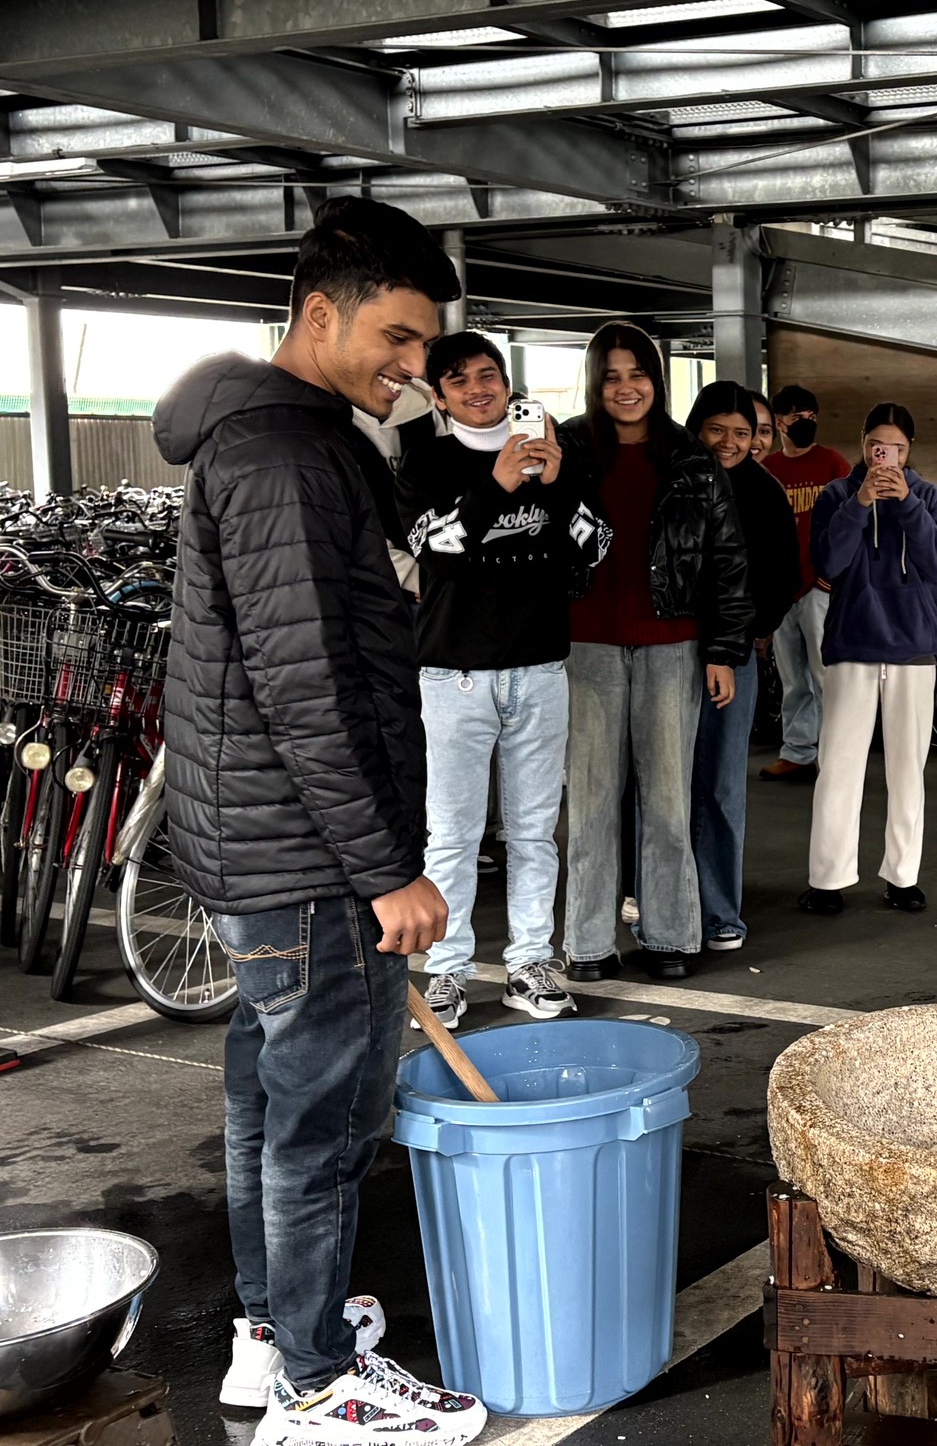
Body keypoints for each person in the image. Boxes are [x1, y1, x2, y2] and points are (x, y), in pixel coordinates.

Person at [152, 196, 487, 1445]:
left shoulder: (284, 436)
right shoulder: (285, 456)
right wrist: (387, 870)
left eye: (425, 346)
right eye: (396, 342)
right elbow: (308, 692)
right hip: (303, 852)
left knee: (266, 1082)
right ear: (317, 314)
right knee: (328, 1114)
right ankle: (313, 1381)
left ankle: (267, 1336)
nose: (415, 369)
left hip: (263, 842)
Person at [397, 331, 611, 1028]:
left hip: (541, 666)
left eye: (488, 375)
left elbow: (596, 547)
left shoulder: (559, 456)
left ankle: (529, 962)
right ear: (438, 395)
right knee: (452, 834)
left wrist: (556, 483)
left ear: (507, 381)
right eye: (459, 381)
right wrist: (500, 485)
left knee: (533, 831)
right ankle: (447, 970)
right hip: (453, 672)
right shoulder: (425, 459)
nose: (478, 389)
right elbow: (438, 549)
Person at [560, 322, 751, 982]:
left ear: (656, 380)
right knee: (589, 804)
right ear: (595, 383)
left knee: (668, 804)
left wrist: (723, 650)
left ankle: (670, 935)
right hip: (583, 648)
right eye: (610, 376)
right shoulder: (567, 448)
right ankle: (588, 944)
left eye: (636, 373)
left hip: (673, 647)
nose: (625, 387)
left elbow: (728, 561)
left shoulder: (690, 457)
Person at [799, 403, 937, 916]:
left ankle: (903, 876)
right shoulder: (837, 494)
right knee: (838, 766)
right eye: (875, 445)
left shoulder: (929, 497)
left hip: (914, 646)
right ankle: (827, 880)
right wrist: (861, 503)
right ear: (863, 443)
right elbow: (828, 563)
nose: (883, 455)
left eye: (895, 447)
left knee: (908, 769)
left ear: (909, 451)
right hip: (853, 643)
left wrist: (907, 502)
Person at [689, 382, 797, 953]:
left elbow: (782, 578)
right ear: (697, 427)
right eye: (718, 430)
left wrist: (744, 635)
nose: (731, 443)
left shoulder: (764, 493)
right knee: (658, 786)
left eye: (743, 433)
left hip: (730, 657)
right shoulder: (674, 480)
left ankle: (719, 914)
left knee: (720, 787)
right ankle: (662, 904)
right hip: (665, 653)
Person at [760, 384, 850, 784]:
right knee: (793, 677)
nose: (805, 422)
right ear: (779, 422)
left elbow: (852, 523)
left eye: (811, 414)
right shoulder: (769, 469)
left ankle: (837, 754)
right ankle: (797, 752)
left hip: (819, 585)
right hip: (783, 588)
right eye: (796, 416)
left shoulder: (833, 464)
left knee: (825, 675)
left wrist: (833, 576)